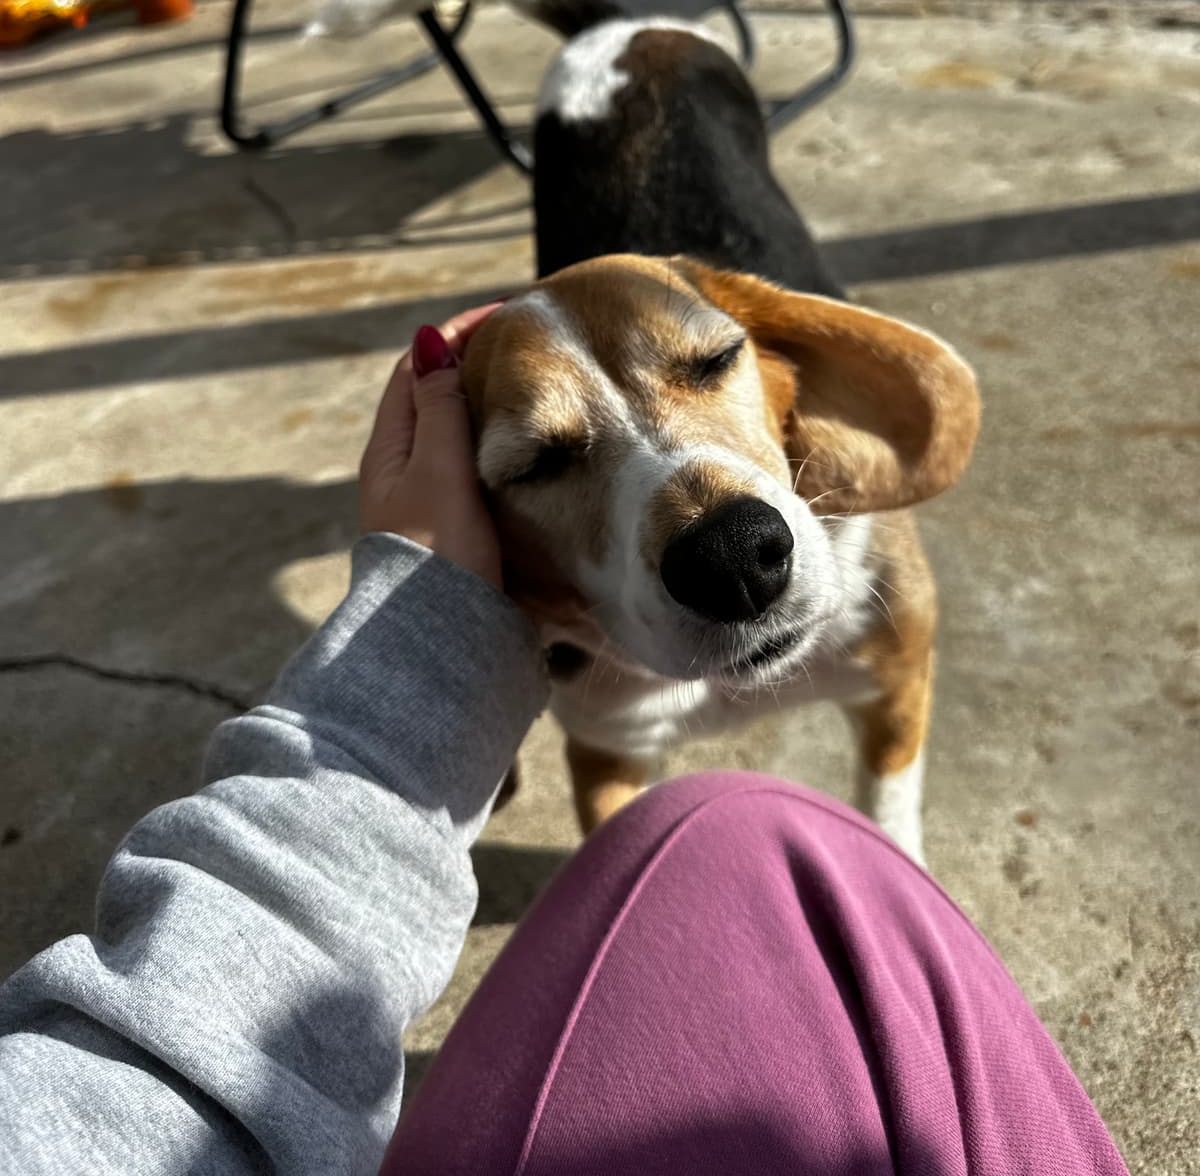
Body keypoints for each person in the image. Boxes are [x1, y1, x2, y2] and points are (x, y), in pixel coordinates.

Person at [0, 308, 1128, 1176]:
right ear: (503, 552)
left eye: (709, 363)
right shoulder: (555, 623)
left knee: (724, 830)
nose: (710, 507)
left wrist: (900, 840)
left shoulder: (858, 541)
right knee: (717, 831)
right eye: (539, 464)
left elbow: (902, 675)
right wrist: (445, 633)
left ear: (784, 382)